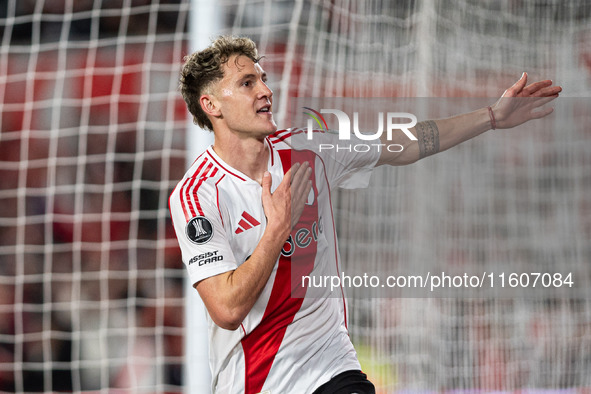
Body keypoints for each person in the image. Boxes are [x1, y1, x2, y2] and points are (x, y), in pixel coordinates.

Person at [169, 35, 561, 394]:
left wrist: (491, 117)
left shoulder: (309, 151)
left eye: (263, 79)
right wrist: (277, 231)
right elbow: (227, 309)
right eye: (247, 83)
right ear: (211, 105)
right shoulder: (196, 196)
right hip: (255, 382)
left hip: (331, 367)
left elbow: (399, 144)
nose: (266, 90)